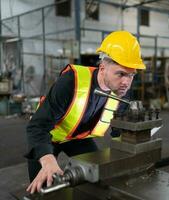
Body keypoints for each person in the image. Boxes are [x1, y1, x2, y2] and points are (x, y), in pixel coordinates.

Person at [25, 30, 145, 194]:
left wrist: (130, 153)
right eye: (121, 74)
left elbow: (119, 132)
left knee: (96, 176)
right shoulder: (71, 82)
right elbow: (37, 126)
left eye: (131, 75)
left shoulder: (122, 93)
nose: (126, 82)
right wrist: (47, 161)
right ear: (102, 68)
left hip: (78, 138)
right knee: (43, 188)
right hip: (49, 136)